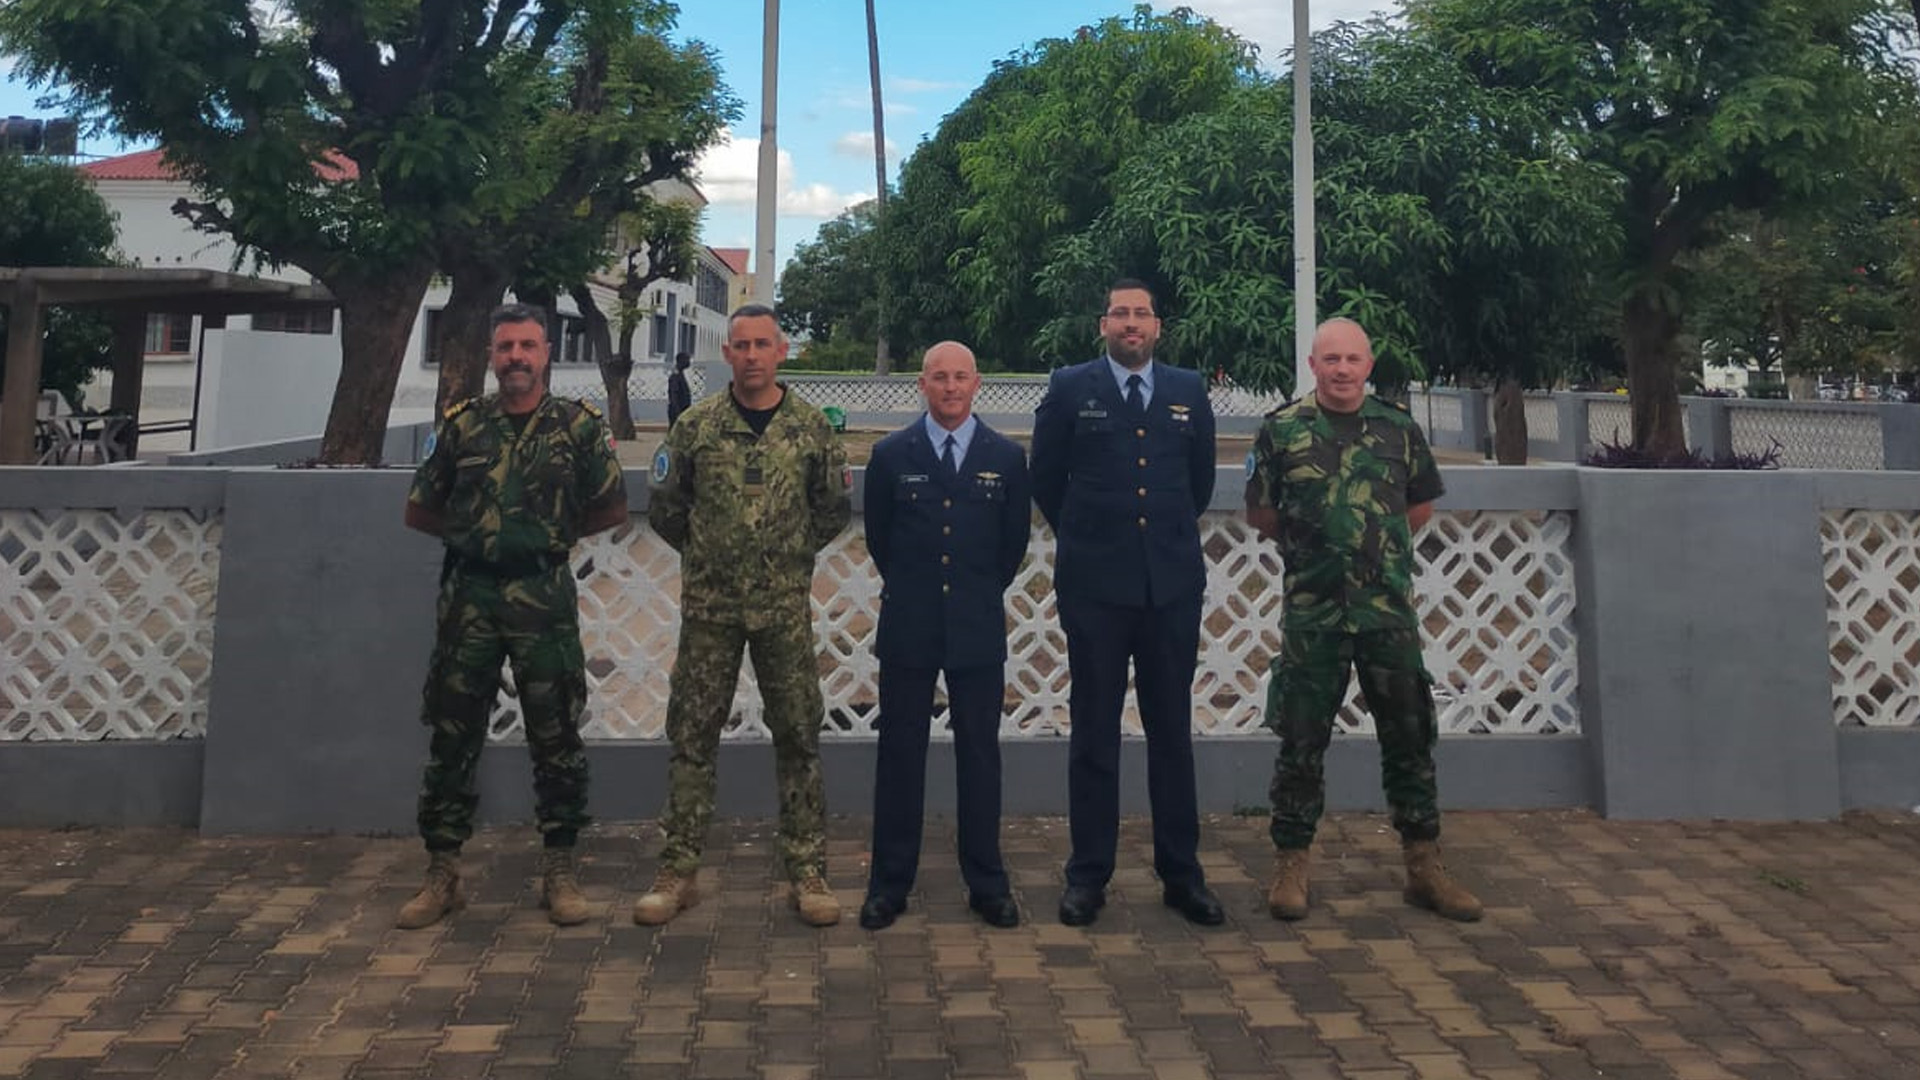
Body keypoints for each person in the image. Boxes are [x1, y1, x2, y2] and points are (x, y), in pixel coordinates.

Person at [398, 302, 630, 929]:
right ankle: (442, 873)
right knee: (453, 735)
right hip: (469, 599)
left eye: (528, 346)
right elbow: (421, 508)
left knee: (556, 736)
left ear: (547, 353)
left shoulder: (578, 428)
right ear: (492, 357)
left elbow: (610, 506)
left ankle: (560, 869)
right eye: (506, 348)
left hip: (542, 597)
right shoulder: (463, 426)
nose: (516, 358)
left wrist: (540, 540)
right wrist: (481, 540)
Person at [1245, 317, 1482, 923]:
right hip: (1313, 614)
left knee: (1409, 739)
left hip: (1386, 613)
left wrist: (1375, 554)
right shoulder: (1282, 431)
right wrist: (1318, 554)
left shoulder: (1398, 429)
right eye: (1331, 359)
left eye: (1353, 359)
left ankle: (1424, 867)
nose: (1343, 369)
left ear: (1368, 366)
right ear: (1313, 365)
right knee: (1301, 742)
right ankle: (1291, 865)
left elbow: (1418, 507)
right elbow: (1264, 515)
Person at [636, 303, 853, 928]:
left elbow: (831, 510)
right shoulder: (696, 427)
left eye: (763, 344)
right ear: (727, 353)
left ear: (780, 351)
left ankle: (807, 871)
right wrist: (715, 557)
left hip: (782, 609)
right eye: (742, 345)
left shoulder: (810, 429)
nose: (752, 355)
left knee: (798, 735)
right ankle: (678, 870)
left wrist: (783, 557)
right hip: (712, 609)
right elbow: (667, 509)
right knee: (693, 736)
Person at [1030, 278, 1225, 928]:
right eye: (1120, 313)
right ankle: (1088, 876)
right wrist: (1093, 536)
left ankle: (1182, 875)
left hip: (1170, 588)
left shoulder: (1187, 390)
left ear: (1157, 327)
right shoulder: (1069, 388)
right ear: (1103, 325)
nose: (1131, 323)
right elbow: (1046, 479)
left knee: (1172, 733)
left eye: (1141, 313)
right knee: (1094, 734)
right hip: (1096, 590)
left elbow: (1197, 484)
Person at [859, 341, 1031, 931]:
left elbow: (1011, 546)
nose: (950, 387)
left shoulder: (1005, 458)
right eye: (939, 377)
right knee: (899, 755)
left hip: (976, 625)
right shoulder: (890, 455)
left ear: (976, 384)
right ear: (922, 384)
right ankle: (889, 884)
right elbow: (881, 540)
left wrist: (972, 592)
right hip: (910, 622)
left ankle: (987, 883)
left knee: (979, 756)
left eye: (960, 377)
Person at [667, 351, 692, 427]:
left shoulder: (681, 374)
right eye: (687, 360)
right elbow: (673, 395)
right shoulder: (675, 376)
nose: (689, 362)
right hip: (678, 411)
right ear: (681, 361)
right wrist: (677, 412)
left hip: (683, 411)